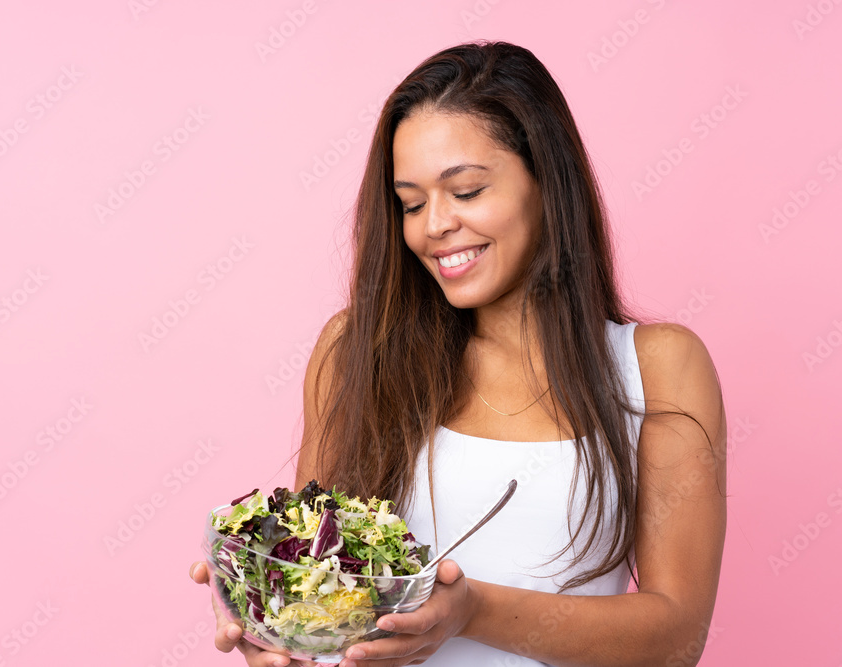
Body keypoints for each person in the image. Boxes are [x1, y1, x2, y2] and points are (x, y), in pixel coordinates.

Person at [189, 40, 726, 667]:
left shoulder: (657, 368)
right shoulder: (357, 353)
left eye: (465, 191)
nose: (432, 225)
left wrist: (471, 612)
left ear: (546, 185)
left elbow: (677, 638)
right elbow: (323, 587)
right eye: (411, 203)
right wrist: (276, 627)